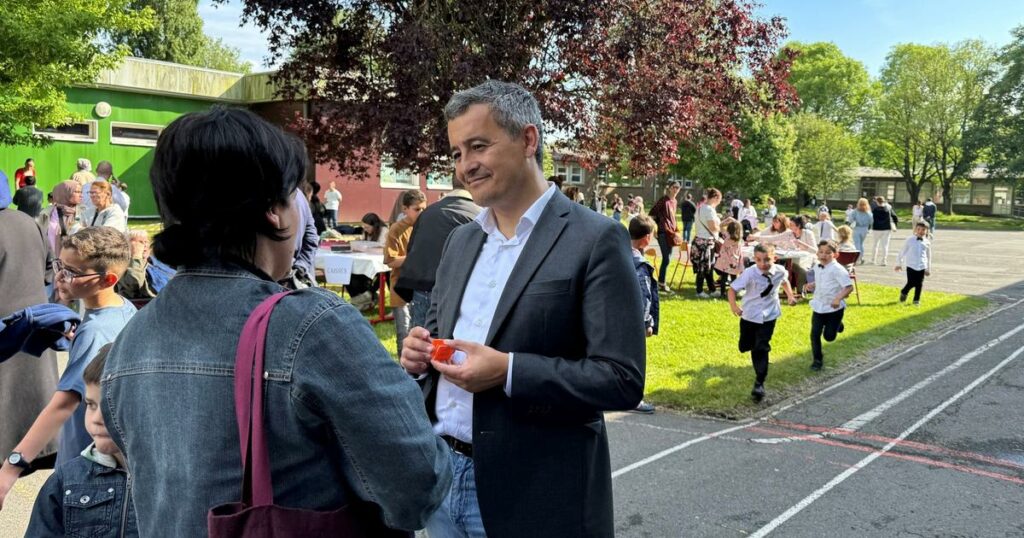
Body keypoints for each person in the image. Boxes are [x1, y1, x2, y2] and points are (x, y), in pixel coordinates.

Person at [100, 107, 450, 536]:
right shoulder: (312, 327)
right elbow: (416, 487)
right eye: (294, 195)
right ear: (274, 211)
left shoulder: (133, 334)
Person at [400, 81, 644, 537]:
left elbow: (621, 379)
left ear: (528, 140)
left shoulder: (595, 239)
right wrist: (420, 356)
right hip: (441, 476)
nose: (465, 166)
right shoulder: (461, 240)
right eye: (455, 153)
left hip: (535, 494)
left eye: (478, 146)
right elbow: (438, 338)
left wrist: (508, 371)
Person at [0, 226, 136, 510]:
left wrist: (10, 469)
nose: (61, 276)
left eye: (73, 272)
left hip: (83, 466)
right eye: (59, 265)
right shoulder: (124, 309)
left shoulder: (94, 331)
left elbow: (62, 405)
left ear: (107, 278)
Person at [26, 345, 138, 537]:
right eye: (91, 404)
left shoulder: (174, 482)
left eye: (110, 405)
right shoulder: (65, 480)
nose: (96, 418)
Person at [0, 179, 59, 476]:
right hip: (34, 316)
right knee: (30, 389)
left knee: (6, 391)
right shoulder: (27, 221)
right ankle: (38, 449)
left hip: (4, 325)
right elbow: (50, 269)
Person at [394, 176, 480, 329]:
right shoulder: (479, 215)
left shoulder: (427, 213)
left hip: (423, 288)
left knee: (421, 346)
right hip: (460, 292)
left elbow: (412, 249)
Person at [727, 244, 798, 402]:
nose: (763, 264)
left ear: (775, 258)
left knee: (761, 347)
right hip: (750, 315)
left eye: (767, 260)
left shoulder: (780, 271)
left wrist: (791, 296)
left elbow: (784, 281)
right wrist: (734, 306)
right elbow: (732, 289)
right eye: (758, 260)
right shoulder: (749, 273)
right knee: (745, 345)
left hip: (769, 315)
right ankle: (747, 345)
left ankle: (759, 383)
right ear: (754, 259)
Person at [384, 189, 427, 358]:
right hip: (400, 286)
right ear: (405, 209)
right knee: (403, 332)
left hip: (421, 287)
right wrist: (414, 258)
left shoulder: (427, 226)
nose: (421, 212)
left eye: (424, 208)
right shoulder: (396, 229)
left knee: (420, 332)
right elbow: (391, 260)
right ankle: (403, 370)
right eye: (417, 209)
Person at [805, 240, 853, 371]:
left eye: (827, 253)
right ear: (817, 253)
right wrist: (813, 285)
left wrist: (838, 298)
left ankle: (838, 325)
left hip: (834, 309)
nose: (823, 255)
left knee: (829, 337)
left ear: (835, 255)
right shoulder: (817, 266)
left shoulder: (838, 270)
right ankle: (817, 360)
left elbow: (849, 287)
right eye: (821, 252)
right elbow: (821, 279)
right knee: (814, 334)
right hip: (819, 306)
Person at [628, 215, 659, 415]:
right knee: (635, 361)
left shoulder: (616, 255)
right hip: (633, 323)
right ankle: (634, 398)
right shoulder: (640, 265)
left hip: (612, 317)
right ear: (647, 238)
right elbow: (644, 296)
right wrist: (646, 322)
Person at [116, 231, 176, 300]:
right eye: (140, 242)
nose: (144, 245)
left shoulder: (156, 261)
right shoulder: (123, 266)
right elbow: (134, 283)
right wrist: (136, 256)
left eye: (146, 242)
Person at [649, 181, 681, 292]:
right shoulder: (663, 200)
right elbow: (651, 214)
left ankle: (661, 282)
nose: (675, 189)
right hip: (662, 232)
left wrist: (676, 230)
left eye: (677, 187)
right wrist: (655, 228)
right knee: (666, 258)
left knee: (668, 258)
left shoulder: (675, 201)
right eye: (674, 187)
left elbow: (673, 218)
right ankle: (662, 283)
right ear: (669, 188)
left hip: (671, 233)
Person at [693, 187, 723, 298]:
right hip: (706, 242)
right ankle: (699, 291)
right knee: (704, 267)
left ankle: (712, 289)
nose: (720, 201)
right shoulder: (709, 209)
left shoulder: (700, 208)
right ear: (715, 197)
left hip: (699, 240)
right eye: (719, 199)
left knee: (707, 267)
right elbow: (713, 227)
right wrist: (722, 226)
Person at [45, 180, 83, 263]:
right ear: (64, 193)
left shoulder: (85, 212)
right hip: (50, 263)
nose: (81, 195)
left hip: (76, 263)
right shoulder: (47, 213)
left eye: (81, 192)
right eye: (76, 192)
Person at [895, 221, 933, 306]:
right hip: (911, 265)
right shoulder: (910, 240)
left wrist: (928, 268)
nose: (921, 231)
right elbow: (902, 252)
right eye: (919, 229)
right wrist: (898, 263)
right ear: (915, 229)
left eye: (923, 230)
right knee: (911, 282)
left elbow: (928, 256)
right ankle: (904, 291)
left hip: (922, 266)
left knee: (919, 284)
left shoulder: (927, 242)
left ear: (927, 231)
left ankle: (916, 300)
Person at [714, 220, 745, 292]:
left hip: (725, 260)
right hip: (734, 260)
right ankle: (734, 292)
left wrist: (726, 222)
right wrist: (737, 222)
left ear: (728, 229)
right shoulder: (739, 238)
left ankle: (722, 293)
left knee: (724, 277)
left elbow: (720, 227)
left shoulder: (726, 236)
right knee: (734, 277)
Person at [870, 195, 897, 265]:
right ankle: (884, 260)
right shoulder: (888, 208)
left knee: (875, 245)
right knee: (885, 245)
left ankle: (873, 260)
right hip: (886, 228)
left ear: (877, 202)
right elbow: (895, 217)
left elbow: (871, 219)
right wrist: (894, 225)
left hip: (876, 228)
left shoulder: (874, 209)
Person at [850, 198, 873, 262]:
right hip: (865, 229)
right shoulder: (868, 212)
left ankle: (857, 257)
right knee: (861, 244)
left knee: (857, 243)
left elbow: (850, 219)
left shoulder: (855, 211)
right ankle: (861, 257)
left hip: (857, 228)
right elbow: (871, 221)